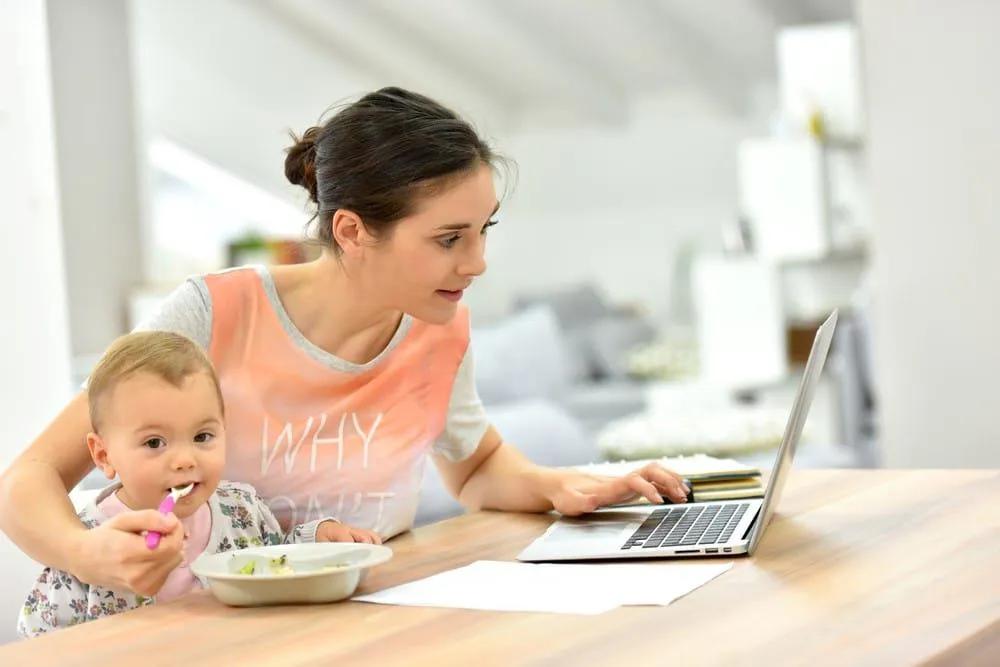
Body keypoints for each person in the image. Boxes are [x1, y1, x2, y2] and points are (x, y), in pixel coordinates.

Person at [0, 86, 690, 599]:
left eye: (485, 231)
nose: (477, 262)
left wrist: (572, 485)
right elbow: (26, 481)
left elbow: (476, 469)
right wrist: (86, 553)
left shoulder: (438, 324)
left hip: (362, 626)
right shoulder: (214, 314)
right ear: (355, 231)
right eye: (450, 238)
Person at [17, 331, 378, 638]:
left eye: (202, 436)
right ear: (104, 456)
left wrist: (318, 538)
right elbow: (43, 642)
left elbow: (276, 559)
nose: (185, 459)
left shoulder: (241, 509)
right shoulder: (89, 542)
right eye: (154, 443)